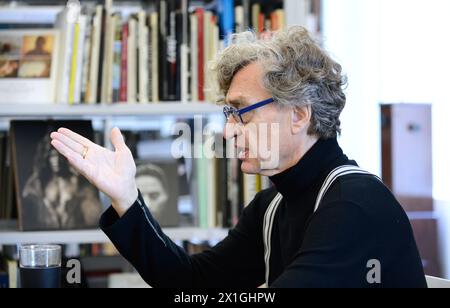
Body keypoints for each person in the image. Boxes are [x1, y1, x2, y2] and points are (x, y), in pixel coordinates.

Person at [50, 27, 427, 288]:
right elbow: (193, 283)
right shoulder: (272, 205)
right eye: (228, 114)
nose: (229, 131)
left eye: (242, 111)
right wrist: (126, 198)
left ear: (299, 114)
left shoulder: (354, 205)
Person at [23, 133, 100, 230]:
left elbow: (90, 207)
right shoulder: (39, 181)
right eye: (52, 156)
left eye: (57, 156)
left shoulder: (74, 178)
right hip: (46, 228)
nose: (55, 161)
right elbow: (28, 194)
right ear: (47, 158)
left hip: (74, 227)